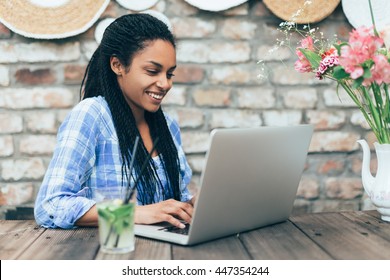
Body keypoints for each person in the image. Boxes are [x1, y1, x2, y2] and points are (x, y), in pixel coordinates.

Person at [34, 13, 194, 230]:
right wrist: (134, 213)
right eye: (152, 71)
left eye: (170, 74)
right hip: (106, 252)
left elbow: (175, 200)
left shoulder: (168, 126)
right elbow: (51, 205)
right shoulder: (92, 115)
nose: (165, 84)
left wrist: (190, 206)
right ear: (118, 65)